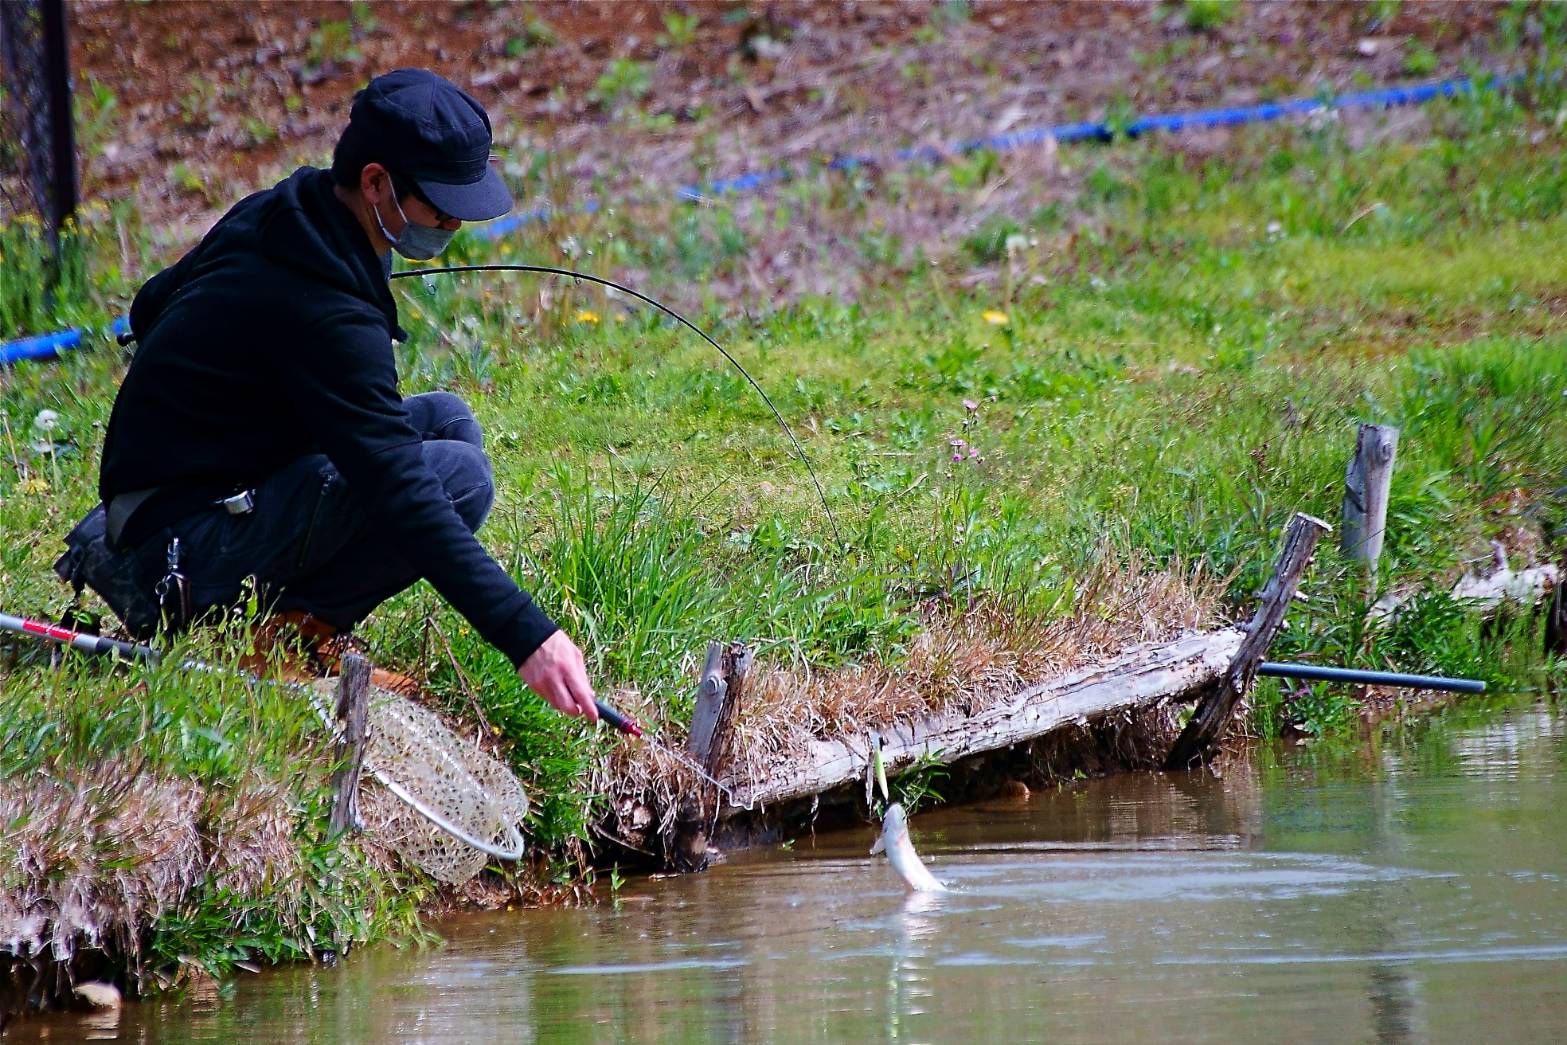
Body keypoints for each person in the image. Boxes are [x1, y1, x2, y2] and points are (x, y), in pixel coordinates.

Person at [55, 69, 598, 723]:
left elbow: (149, 306)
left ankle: (292, 618)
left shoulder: (286, 212)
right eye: (439, 207)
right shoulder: (326, 311)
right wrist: (529, 636)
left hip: (155, 503)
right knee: (456, 477)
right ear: (376, 184)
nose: (452, 223)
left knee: (447, 418)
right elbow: (401, 488)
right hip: (169, 553)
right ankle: (281, 636)